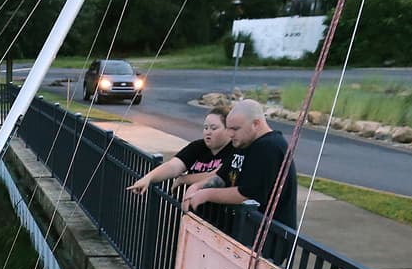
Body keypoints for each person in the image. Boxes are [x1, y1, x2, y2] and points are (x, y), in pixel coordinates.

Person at [182, 98, 298, 229]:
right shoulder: (243, 143)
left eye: (235, 129)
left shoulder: (269, 147)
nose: (230, 134)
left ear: (256, 123)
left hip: (268, 238)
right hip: (243, 232)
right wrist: (196, 187)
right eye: (229, 128)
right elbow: (221, 176)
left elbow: (247, 193)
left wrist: (206, 194)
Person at [127, 106, 234, 195]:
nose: (208, 132)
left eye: (213, 128)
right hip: (191, 210)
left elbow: (217, 175)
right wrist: (148, 178)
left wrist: (184, 179)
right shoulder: (198, 146)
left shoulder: (235, 151)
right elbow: (173, 166)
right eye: (205, 128)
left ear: (228, 129)